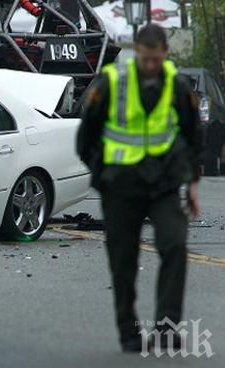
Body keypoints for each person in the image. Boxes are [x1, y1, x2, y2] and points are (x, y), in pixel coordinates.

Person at [76, 24, 202, 353]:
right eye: (145, 59)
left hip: (163, 184)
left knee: (175, 246)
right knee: (123, 261)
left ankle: (167, 326)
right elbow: (86, 133)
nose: (150, 66)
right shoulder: (112, 82)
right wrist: (101, 174)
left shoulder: (177, 85)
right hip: (120, 187)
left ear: (165, 54)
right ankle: (128, 330)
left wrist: (191, 183)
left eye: (155, 60)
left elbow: (192, 137)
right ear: (138, 53)